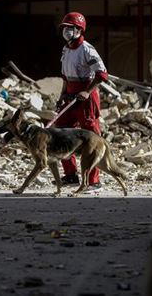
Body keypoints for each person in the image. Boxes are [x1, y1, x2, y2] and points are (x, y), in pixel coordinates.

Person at [55, 12, 108, 193]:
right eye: (64, 29)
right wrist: (62, 97)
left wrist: (86, 91)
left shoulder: (87, 49)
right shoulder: (66, 49)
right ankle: (70, 175)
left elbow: (102, 74)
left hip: (86, 97)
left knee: (91, 137)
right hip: (70, 96)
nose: (66, 32)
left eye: (69, 29)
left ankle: (93, 181)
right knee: (60, 132)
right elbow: (65, 77)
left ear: (79, 29)